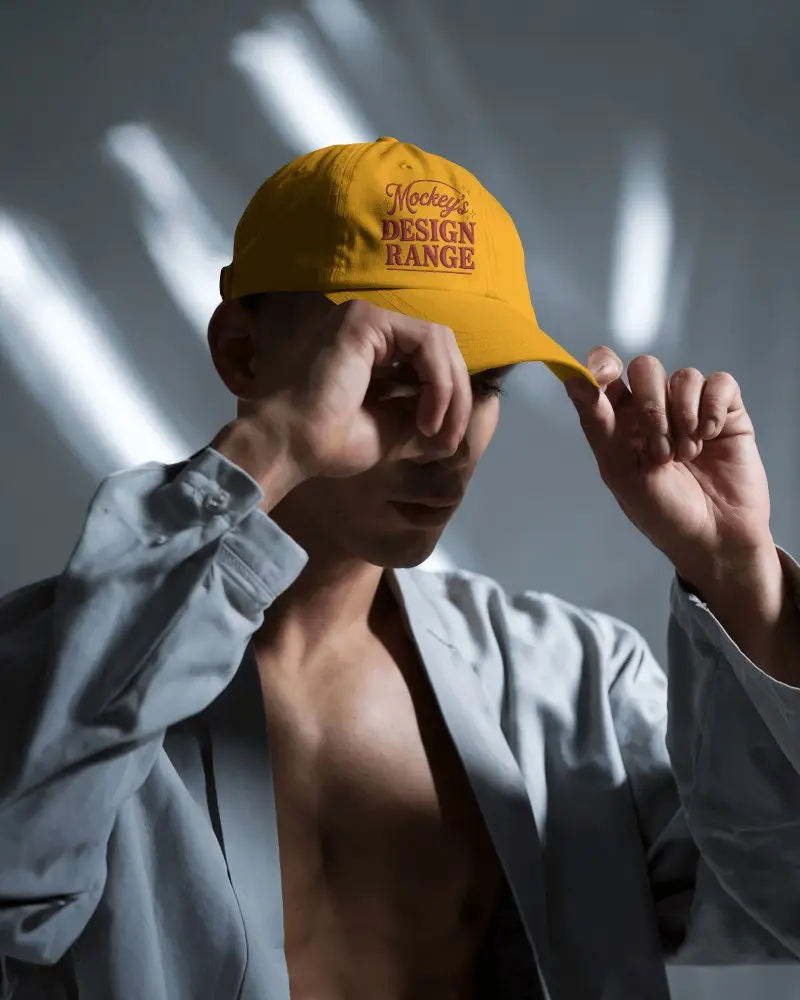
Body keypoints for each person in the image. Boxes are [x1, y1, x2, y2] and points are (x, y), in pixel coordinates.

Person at [0, 137, 799, 1000]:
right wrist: (269, 449)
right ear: (242, 354)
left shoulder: (570, 685)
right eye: (394, 373)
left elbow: (784, 904)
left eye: (483, 383)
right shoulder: (57, 673)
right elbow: (19, 888)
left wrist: (737, 571)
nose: (447, 437)